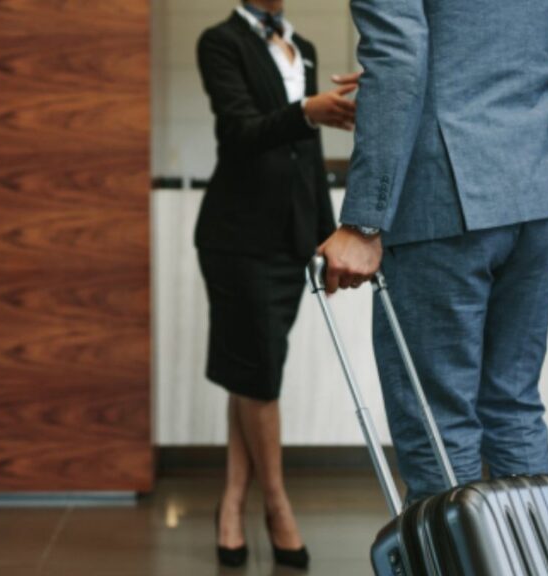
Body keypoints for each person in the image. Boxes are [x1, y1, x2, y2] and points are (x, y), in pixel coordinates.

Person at [318, 0, 548, 504]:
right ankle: (530, 547)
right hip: (540, 187)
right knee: (513, 406)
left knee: (439, 422)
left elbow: (397, 56)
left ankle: (455, 548)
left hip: (446, 197)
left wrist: (363, 222)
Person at [195, 0, 359, 569]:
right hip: (238, 237)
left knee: (251, 373)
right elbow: (239, 132)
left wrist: (327, 235)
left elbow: (307, 153)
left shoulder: (302, 48)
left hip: (291, 238)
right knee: (260, 374)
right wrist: (307, 110)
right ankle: (277, 506)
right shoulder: (220, 42)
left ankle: (231, 503)